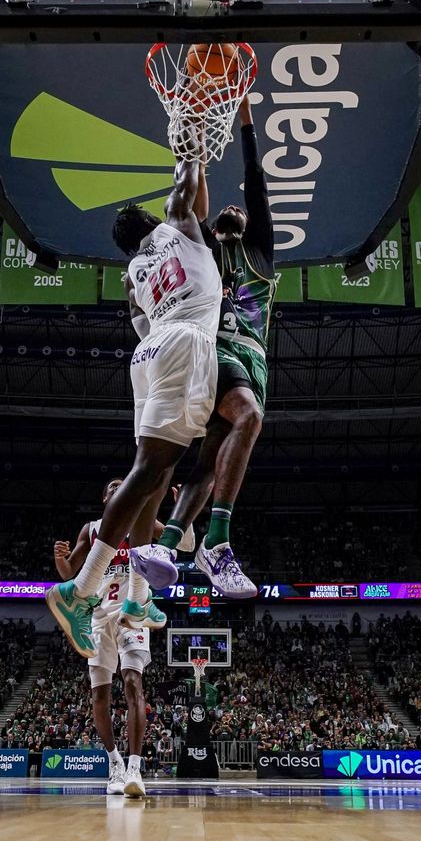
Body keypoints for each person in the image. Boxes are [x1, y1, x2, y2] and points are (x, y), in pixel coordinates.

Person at [46, 97, 251, 657]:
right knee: (160, 466)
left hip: (151, 351)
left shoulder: (137, 269)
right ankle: (82, 587)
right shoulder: (176, 229)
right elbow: (186, 191)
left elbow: (141, 314)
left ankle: (133, 593)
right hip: (186, 342)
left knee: (158, 470)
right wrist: (193, 133)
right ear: (154, 222)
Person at [149, 97, 271, 600]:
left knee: (209, 460)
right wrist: (200, 133)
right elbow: (193, 200)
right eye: (230, 208)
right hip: (213, 347)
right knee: (249, 419)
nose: (238, 207)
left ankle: (169, 541)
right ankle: (217, 542)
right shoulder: (203, 246)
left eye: (242, 208)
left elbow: (255, 179)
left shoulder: (260, 249)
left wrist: (246, 117)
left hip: (254, 360)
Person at [52, 479, 187, 797]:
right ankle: (114, 764)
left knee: (132, 683)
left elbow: (174, 540)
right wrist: (61, 559)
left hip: (132, 615)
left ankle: (135, 768)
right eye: (112, 486)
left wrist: (180, 510)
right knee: (100, 694)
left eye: (124, 485)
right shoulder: (93, 528)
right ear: (104, 496)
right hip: (98, 617)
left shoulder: (142, 521)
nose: (118, 488)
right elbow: (69, 571)